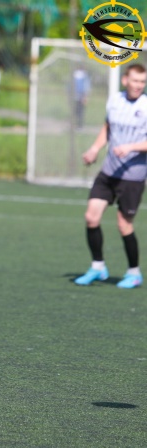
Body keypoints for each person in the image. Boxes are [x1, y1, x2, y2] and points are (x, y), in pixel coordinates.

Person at [74, 63, 147, 289]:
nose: (139, 85)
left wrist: (131, 147)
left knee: (124, 225)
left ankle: (134, 273)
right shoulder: (115, 100)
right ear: (125, 80)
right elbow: (107, 128)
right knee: (91, 217)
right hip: (109, 171)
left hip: (132, 176)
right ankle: (98, 267)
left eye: (143, 82)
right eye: (135, 81)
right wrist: (95, 149)